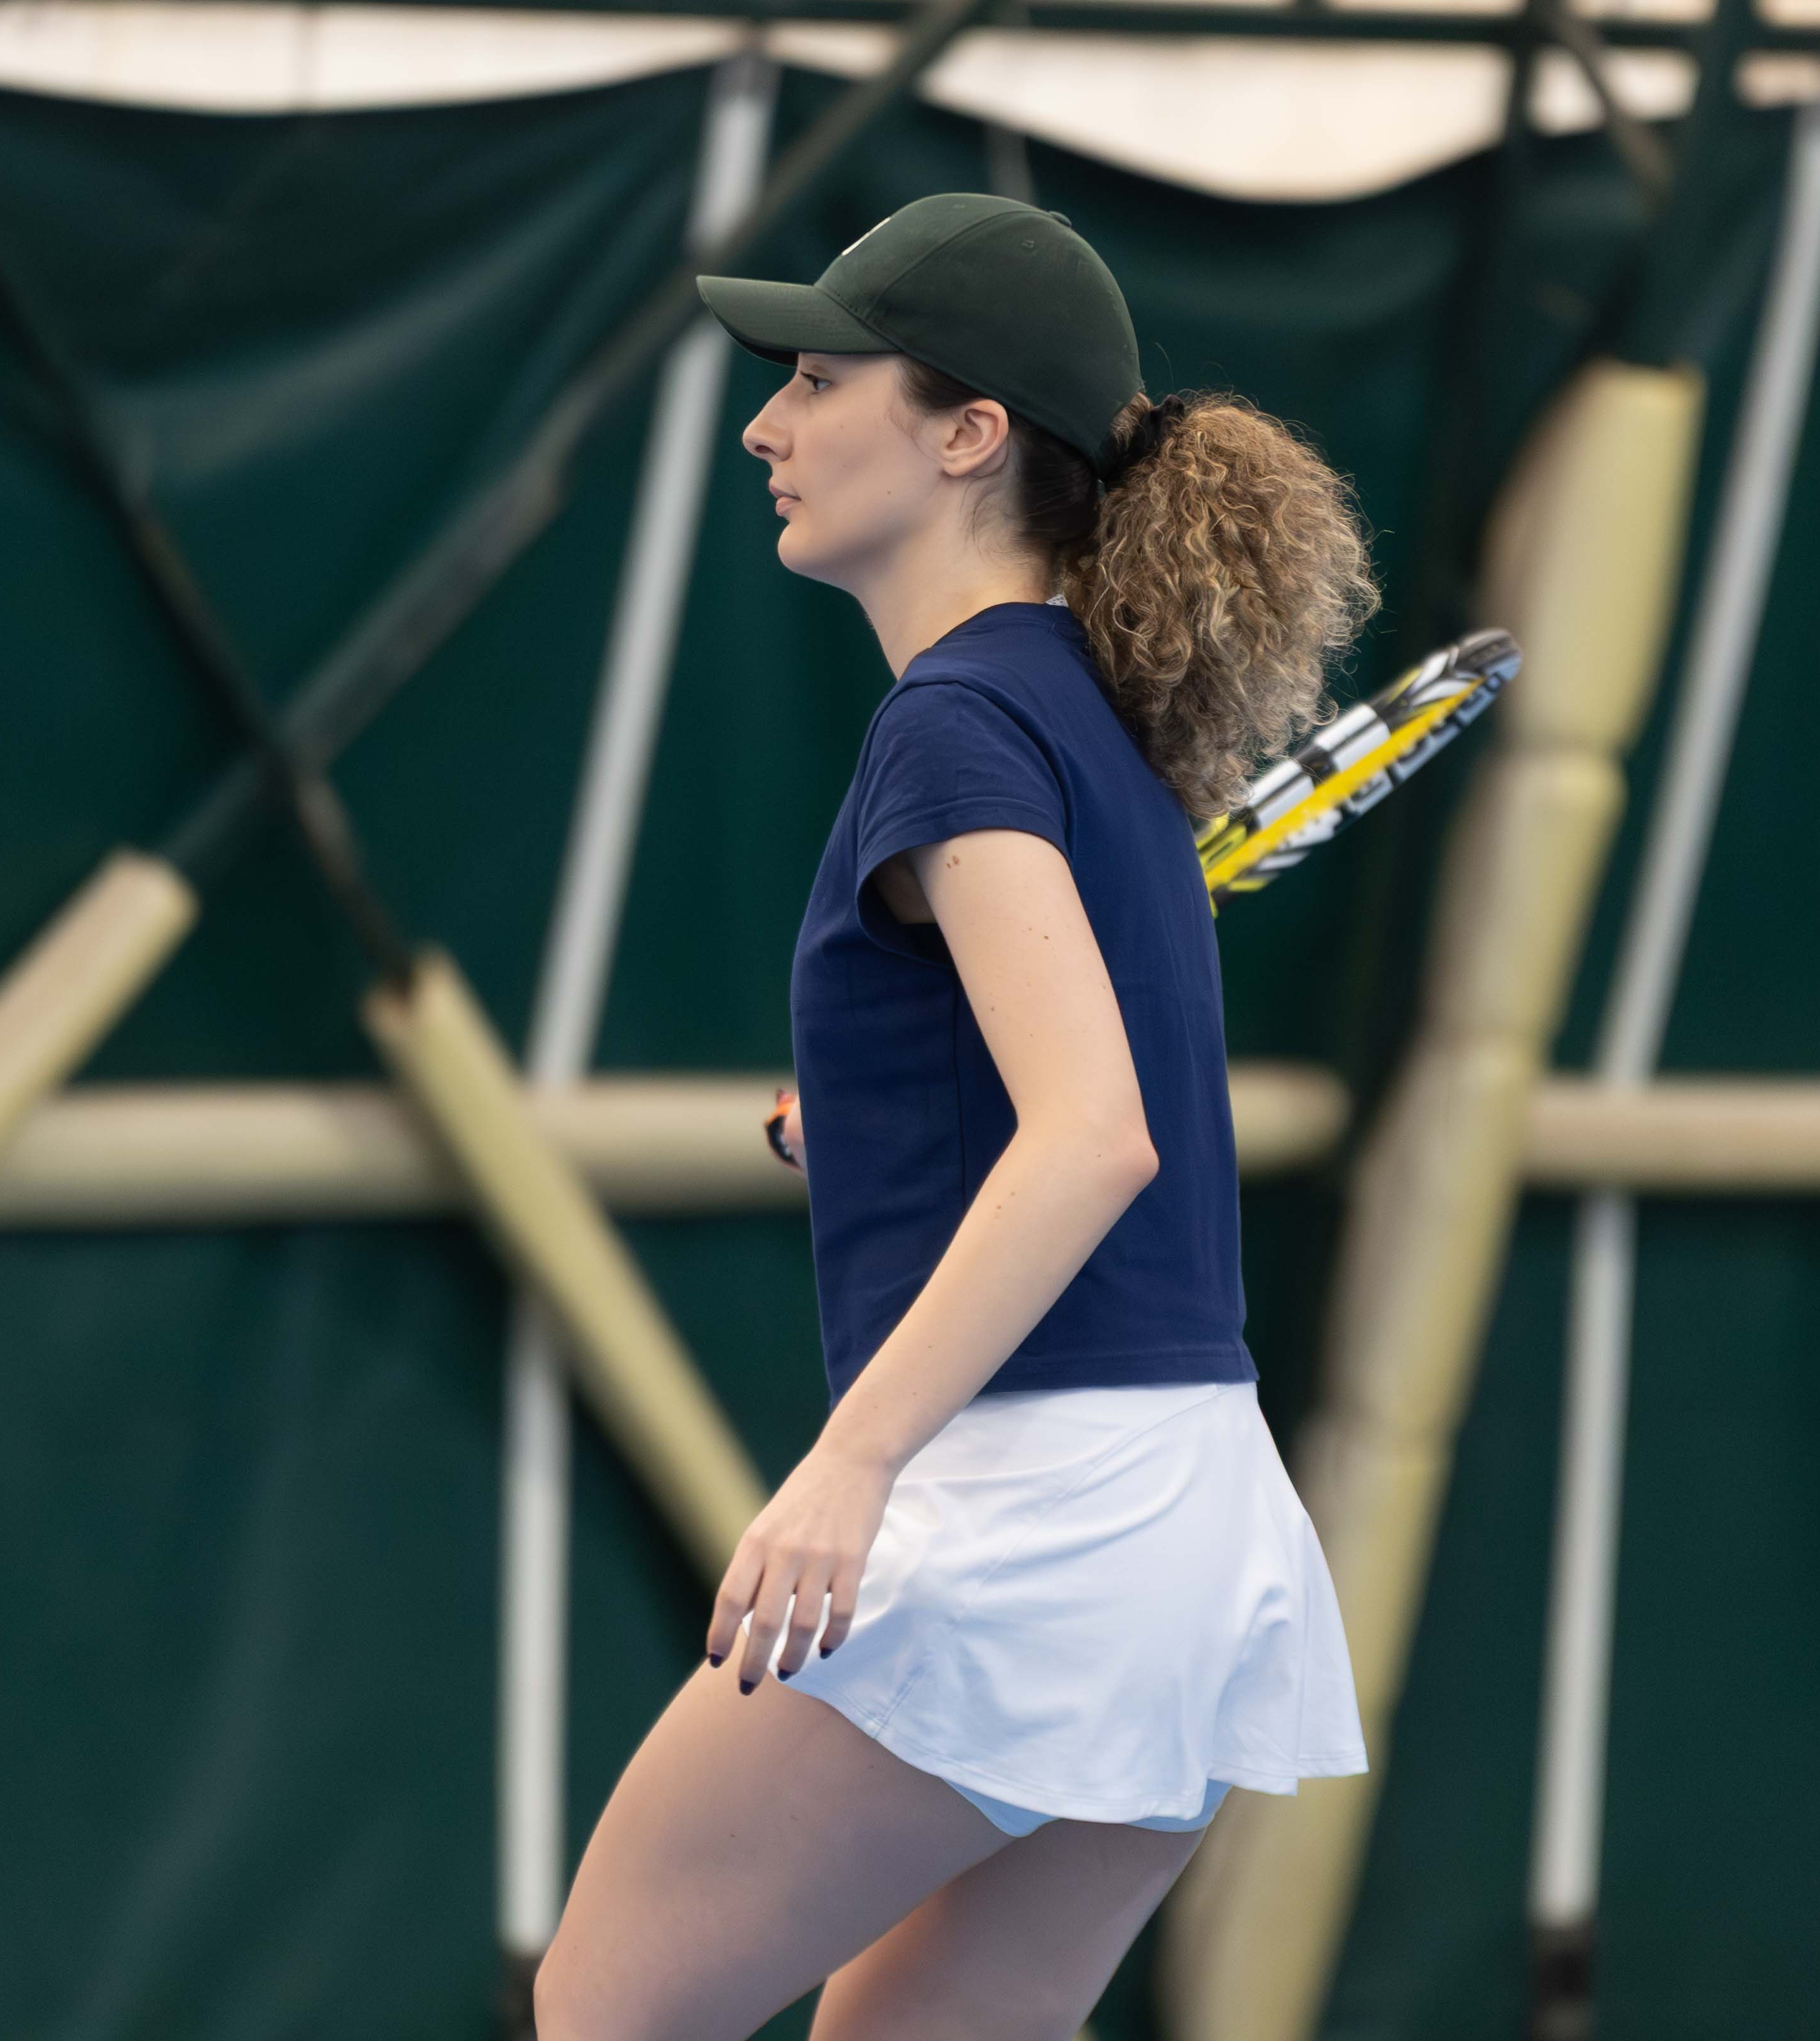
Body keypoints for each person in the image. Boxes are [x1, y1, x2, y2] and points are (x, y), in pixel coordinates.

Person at [534, 195, 1379, 2041]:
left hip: (1034, 1510)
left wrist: (850, 1464)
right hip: (1194, 1521)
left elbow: (1093, 1137)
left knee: (608, 2016)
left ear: (968, 432)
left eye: (819, 381)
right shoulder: (1088, 718)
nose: (766, 426)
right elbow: (1051, 1090)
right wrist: (863, 1113)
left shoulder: (957, 724)